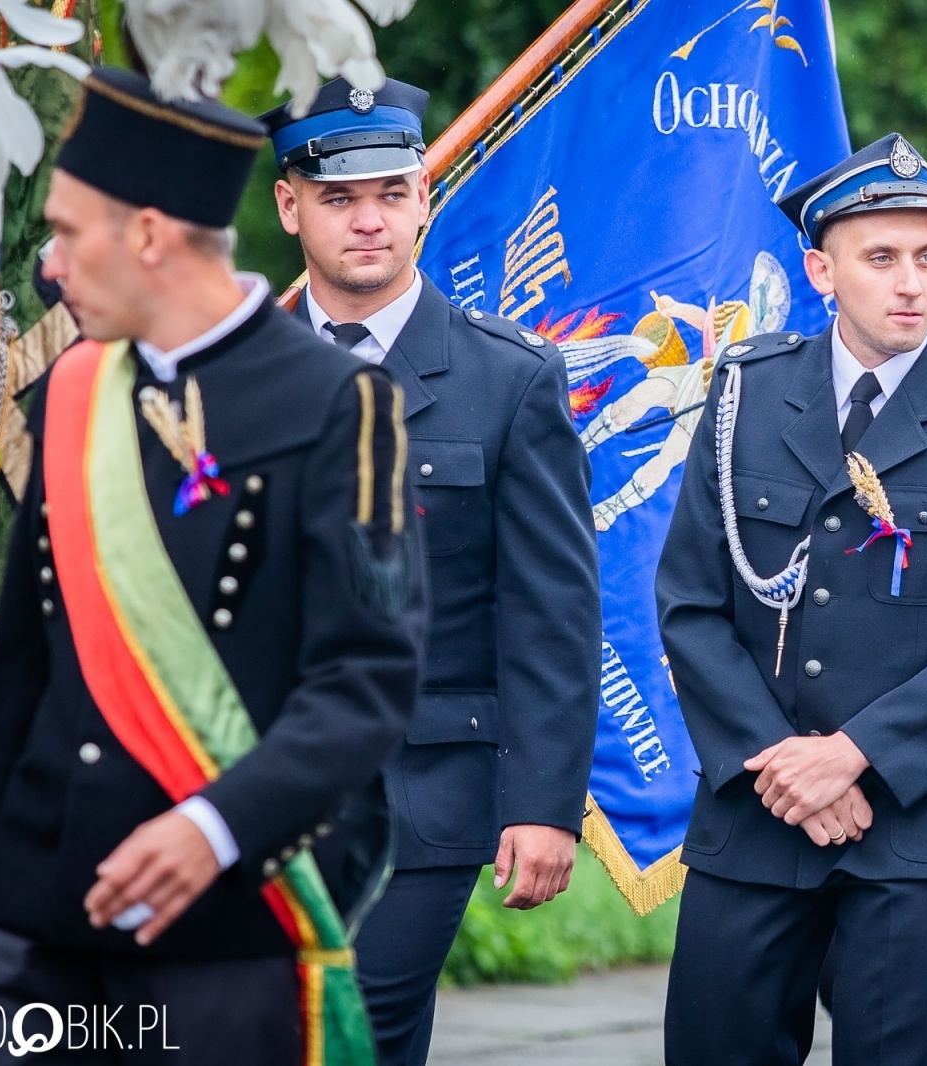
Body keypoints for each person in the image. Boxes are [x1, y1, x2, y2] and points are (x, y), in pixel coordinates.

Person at [0, 68, 425, 1064]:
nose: (53, 264)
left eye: (72, 232)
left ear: (152, 234)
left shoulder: (338, 404)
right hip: (38, 931)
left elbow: (363, 681)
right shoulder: (73, 392)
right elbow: (21, 675)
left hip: (220, 934)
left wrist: (212, 826)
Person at [656, 133, 927, 1066]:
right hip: (753, 819)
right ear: (822, 268)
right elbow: (690, 603)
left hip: (908, 827)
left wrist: (853, 759)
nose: (910, 283)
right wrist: (786, 769)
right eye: (881, 258)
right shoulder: (747, 393)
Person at [264, 77, 601, 1066]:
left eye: (390, 193)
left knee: (356, 1031)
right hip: (256, 788)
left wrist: (542, 804)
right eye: (338, 198)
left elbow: (550, 614)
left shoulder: (511, 380)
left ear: (424, 199)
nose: (367, 220)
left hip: (425, 791)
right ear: (290, 207)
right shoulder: (236, 373)